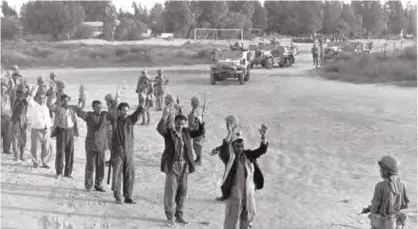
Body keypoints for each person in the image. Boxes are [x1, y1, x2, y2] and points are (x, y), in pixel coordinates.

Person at [156, 104, 205, 226]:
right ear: (175, 122)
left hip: (185, 165)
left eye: (183, 124)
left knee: (182, 191)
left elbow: (199, 132)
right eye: (179, 123)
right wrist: (165, 117)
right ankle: (169, 215)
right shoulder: (169, 133)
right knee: (171, 191)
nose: (180, 126)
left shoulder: (186, 132)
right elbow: (160, 129)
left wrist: (200, 120)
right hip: (173, 164)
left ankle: (179, 214)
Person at [216, 120, 269, 229]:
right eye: (237, 146)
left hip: (248, 193)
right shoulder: (230, 158)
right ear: (233, 146)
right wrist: (229, 134)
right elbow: (224, 150)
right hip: (235, 194)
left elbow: (261, 150)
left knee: (247, 217)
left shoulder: (248, 155)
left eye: (241, 146)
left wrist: (263, 137)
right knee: (232, 220)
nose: (240, 148)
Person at [110, 99, 145, 204]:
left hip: (129, 150)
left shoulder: (129, 120)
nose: (125, 112)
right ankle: (117, 196)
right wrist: (115, 103)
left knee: (129, 174)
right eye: (123, 110)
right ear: (119, 111)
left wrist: (141, 105)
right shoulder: (115, 120)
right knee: (117, 174)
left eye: (127, 110)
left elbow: (137, 114)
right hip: (118, 151)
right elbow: (112, 115)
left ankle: (128, 196)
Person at [74, 95, 112, 192]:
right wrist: (80, 102)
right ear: (93, 107)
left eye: (101, 107)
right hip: (91, 145)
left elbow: (114, 113)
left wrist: (113, 101)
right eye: (97, 107)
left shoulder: (105, 115)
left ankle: (98, 184)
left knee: (101, 166)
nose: (99, 109)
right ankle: (88, 185)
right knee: (90, 166)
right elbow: (80, 113)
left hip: (101, 145)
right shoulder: (89, 115)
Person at [365, 155, 409, 229]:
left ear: (387, 171)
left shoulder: (380, 186)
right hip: (396, 221)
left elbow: (376, 205)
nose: (380, 170)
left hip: (383, 222)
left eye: (382, 169)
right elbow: (404, 203)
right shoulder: (401, 185)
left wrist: (371, 213)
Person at [210, 115, 240, 202]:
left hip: (233, 161)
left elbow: (227, 144)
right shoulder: (231, 134)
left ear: (233, 125)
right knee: (227, 179)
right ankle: (226, 196)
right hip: (229, 161)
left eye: (228, 123)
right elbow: (224, 145)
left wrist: (230, 133)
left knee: (229, 179)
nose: (227, 125)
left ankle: (228, 197)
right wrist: (217, 149)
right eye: (226, 123)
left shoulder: (234, 135)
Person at [49, 94, 79, 179]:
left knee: (70, 152)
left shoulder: (71, 109)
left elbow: (76, 116)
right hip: (61, 131)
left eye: (66, 100)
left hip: (70, 131)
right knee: (60, 153)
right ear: (61, 101)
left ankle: (68, 173)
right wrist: (54, 97)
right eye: (63, 100)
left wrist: (76, 132)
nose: (65, 102)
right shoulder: (58, 108)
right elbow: (50, 106)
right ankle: (59, 172)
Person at [27, 84, 53, 168]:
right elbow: (29, 98)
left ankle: (44, 162)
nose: (42, 99)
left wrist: (52, 88)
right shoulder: (33, 105)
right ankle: (35, 162)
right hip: (36, 129)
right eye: (40, 98)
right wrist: (35, 88)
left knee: (46, 147)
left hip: (46, 129)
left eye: (43, 98)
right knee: (35, 148)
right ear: (36, 98)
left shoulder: (46, 105)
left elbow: (53, 98)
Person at [11, 83, 30, 161]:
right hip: (17, 120)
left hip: (22, 120)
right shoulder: (16, 99)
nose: (21, 95)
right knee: (17, 138)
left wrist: (27, 87)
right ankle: (17, 155)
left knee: (22, 139)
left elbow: (29, 94)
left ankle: (19, 155)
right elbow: (14, 109)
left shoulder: (24, 99)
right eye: (20, 93)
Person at [104, 92, 120, 166]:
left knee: (112, 144)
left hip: (113, 129)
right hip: (111, 128)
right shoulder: (111, 107)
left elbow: (113, 117)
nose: (106, 102)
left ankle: (113, 160)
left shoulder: (114, 108)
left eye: (106, 100)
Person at [188, 95, 204, 165]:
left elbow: (193, 122)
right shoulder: (199, 110)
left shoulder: (195, 111)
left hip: (197, 131)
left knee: (196, 145)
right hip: (199, 129)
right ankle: (198, 159)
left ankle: (199, 160)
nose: (191, 103)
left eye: (191, 102)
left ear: (194, 103)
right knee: (196, 144)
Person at [1, 77, 13, 155]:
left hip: (8, 116)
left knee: (8, 134)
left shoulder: (8, 95)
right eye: (1, 87)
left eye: (4, 87)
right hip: (0, 116)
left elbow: (12, 86)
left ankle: (6, 149)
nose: (2, 88)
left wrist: (10, 78)